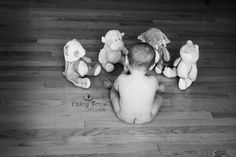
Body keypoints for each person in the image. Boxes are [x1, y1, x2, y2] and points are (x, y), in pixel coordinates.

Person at [104, 43, 164, 124]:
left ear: (126, 60)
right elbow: (156, 89)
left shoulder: (121, 78)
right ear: (152, 66)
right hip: (147, 118)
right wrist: (160, 88)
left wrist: (114, 84)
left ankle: (112, 88)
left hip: (123, 116)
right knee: (159, 98)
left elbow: (116, 88)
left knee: (113, 94)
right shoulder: (153, 80)